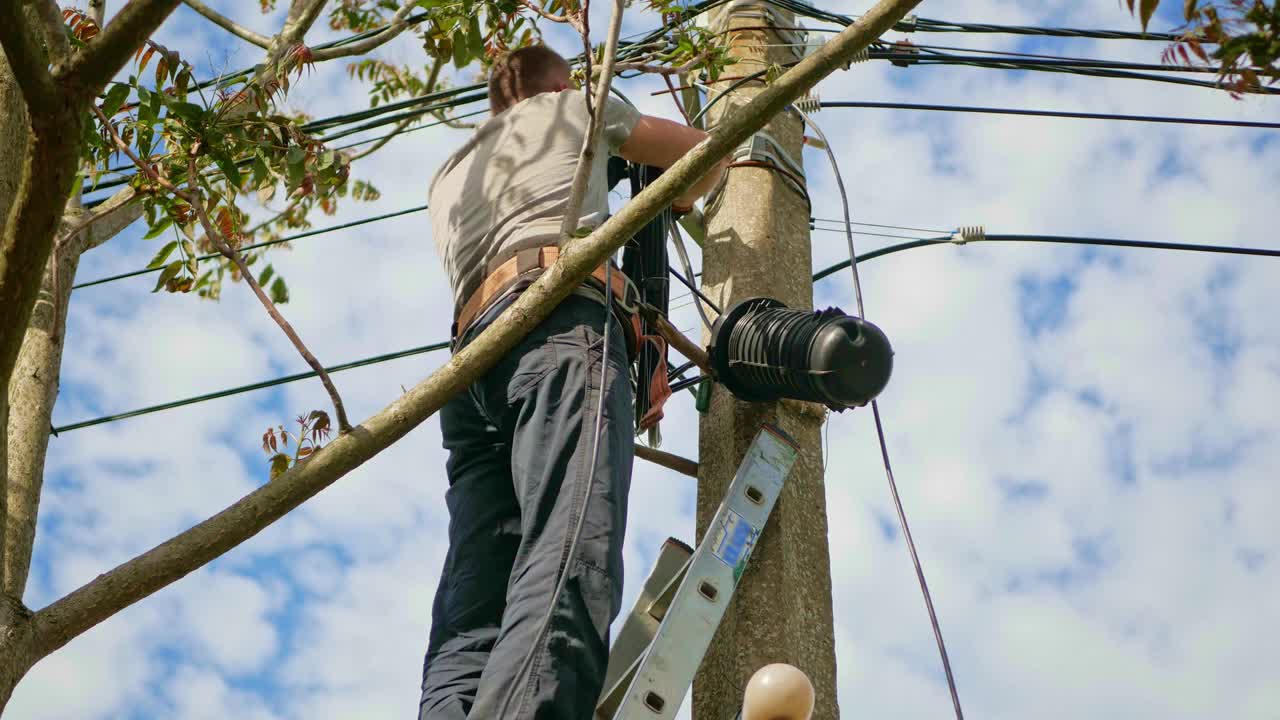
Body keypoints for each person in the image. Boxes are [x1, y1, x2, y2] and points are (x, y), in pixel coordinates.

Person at [419, 44, 727, 720]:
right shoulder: (578, 106)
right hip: (560, 325)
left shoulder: (450, 172)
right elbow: (706, 156)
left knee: (473, 602)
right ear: (559, 83)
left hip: (472, 364)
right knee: (567, 544)